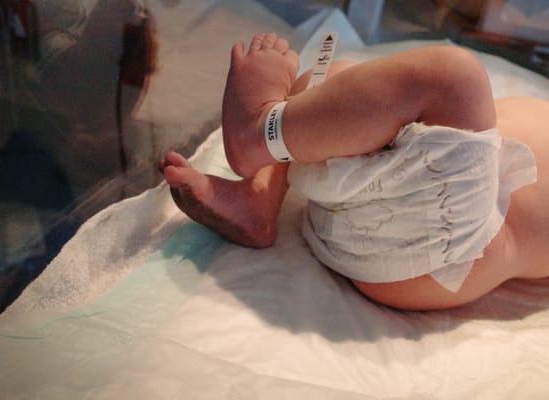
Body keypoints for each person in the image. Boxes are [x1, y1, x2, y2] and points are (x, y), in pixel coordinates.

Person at [160, 33, 549, 311]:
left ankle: (260, 134)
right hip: (372, 201)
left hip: (450, 248)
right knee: (335, 84)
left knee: (454, 78)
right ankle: (261, 196)